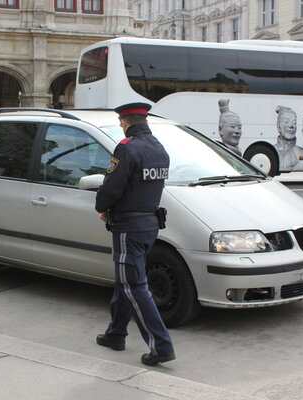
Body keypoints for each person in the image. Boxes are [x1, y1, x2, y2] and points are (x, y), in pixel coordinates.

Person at [94, 102, 175, 367]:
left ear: (125, 122)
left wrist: (102, 208)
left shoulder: (127, 148)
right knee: (125, 281)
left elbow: (112, 186)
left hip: (129, 227)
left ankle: (160, 346)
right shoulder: (160, 149)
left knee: (133, 285)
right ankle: (115, 334)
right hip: (149, 225)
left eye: (121, 123)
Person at [274, 105, 303, 171]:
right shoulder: (272, 151)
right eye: (286, 122)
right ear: (278, 127)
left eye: (294, 123)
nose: (291, 126)